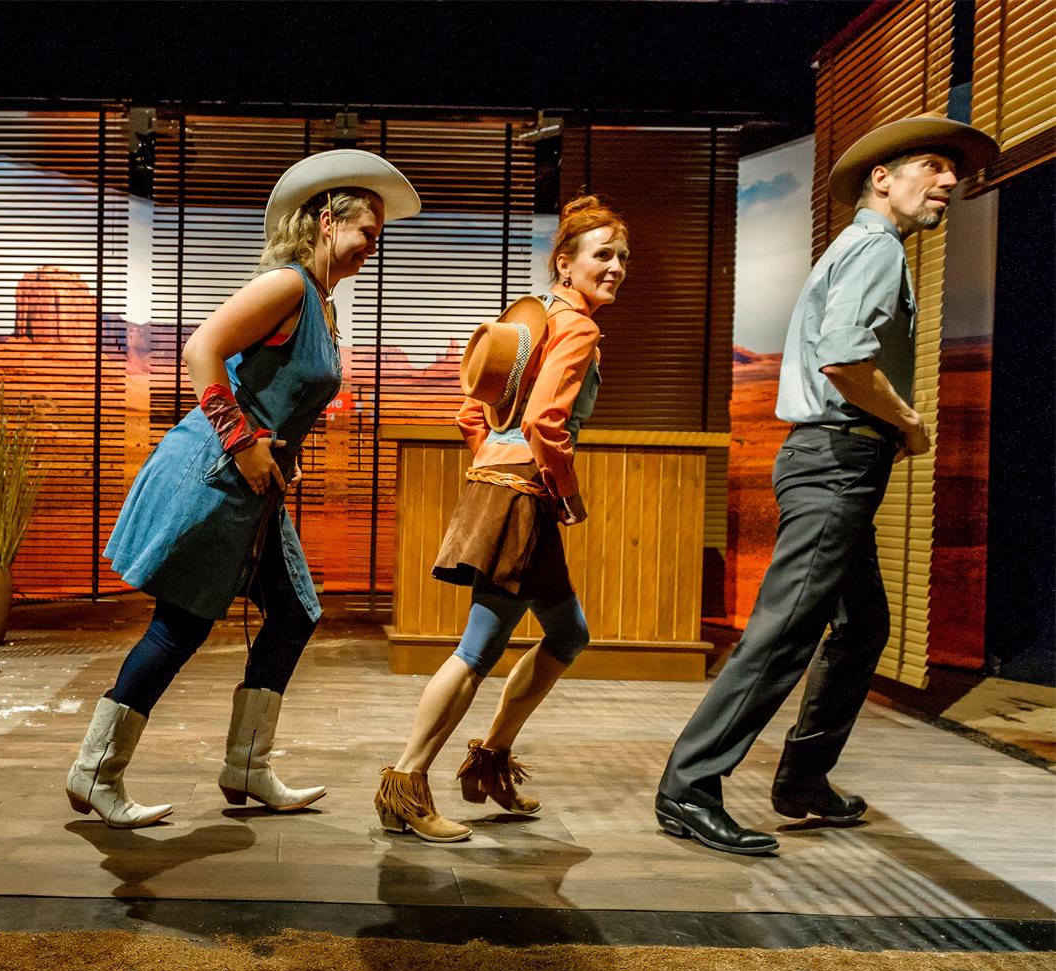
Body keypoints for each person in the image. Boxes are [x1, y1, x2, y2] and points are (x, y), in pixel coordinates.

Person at [655, 115, 999, 856]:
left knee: (862, 625)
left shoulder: (863, 247)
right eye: (934, 166)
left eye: (953, 171)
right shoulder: (876, 249)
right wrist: (909, 421)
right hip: (834, 463)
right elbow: (844, 359)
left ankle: (804, 780)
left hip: (836, 464)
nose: (950, 181)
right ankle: (689, 787)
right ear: (883, 178)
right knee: (783, 634)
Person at [66, 149, 421, 828]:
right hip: (214, 474)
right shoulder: (288, 285)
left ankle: (248, 765)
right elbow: (200, 348)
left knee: (292, 612)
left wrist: (278, 455)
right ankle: (95, 771)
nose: (372, 248)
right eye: (366, 232)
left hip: (252, 484)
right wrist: (244, 443)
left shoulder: (320, 303)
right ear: (326, 221)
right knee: (181, 626)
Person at [375, 196, 629, 842]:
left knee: (568, 633)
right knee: (477, 650)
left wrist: (494, 459)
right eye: (603, 255)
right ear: (564, 263)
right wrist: (565, 492)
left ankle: (489, 761)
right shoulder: (577, 329)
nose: (617, 267)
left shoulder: (534, 319)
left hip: (504, 490)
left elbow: (470, 413)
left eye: (623, 257)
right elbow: (545, 422)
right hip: (524, 499)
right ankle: (404, 783)